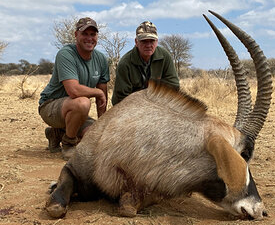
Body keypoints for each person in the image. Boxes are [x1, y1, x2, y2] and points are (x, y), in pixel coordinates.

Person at [38, 17, 110, 160]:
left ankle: (56, 134)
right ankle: (69, 144)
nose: (89, 38)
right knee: (83, 102)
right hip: (51, 106)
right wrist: (97, 92)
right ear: (76, 35)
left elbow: (103, 99)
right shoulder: (66, 54)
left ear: (97, 37)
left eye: (93, 34)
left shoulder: (101, 59)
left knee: (95, 139)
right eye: (85, 34)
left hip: (75, 111)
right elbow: (74, 91)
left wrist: (102, 128)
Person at [112, 21, 179, 105]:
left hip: (158, 103)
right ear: (136, 42)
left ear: (157, 41)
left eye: (152, 41)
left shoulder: (165, 56)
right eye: (144, 41)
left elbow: (174, 86)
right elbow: (120, 98)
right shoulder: (125, 63)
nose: (148, 45)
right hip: (132, 107)